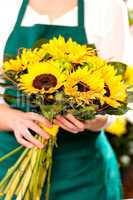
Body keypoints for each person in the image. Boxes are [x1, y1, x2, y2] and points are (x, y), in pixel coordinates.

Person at [0, 0, 131, 199]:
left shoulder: (107, 6)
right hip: (9, 168)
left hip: (83, 175)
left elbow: (115, 97)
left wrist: (90, 117)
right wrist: (12, 118)